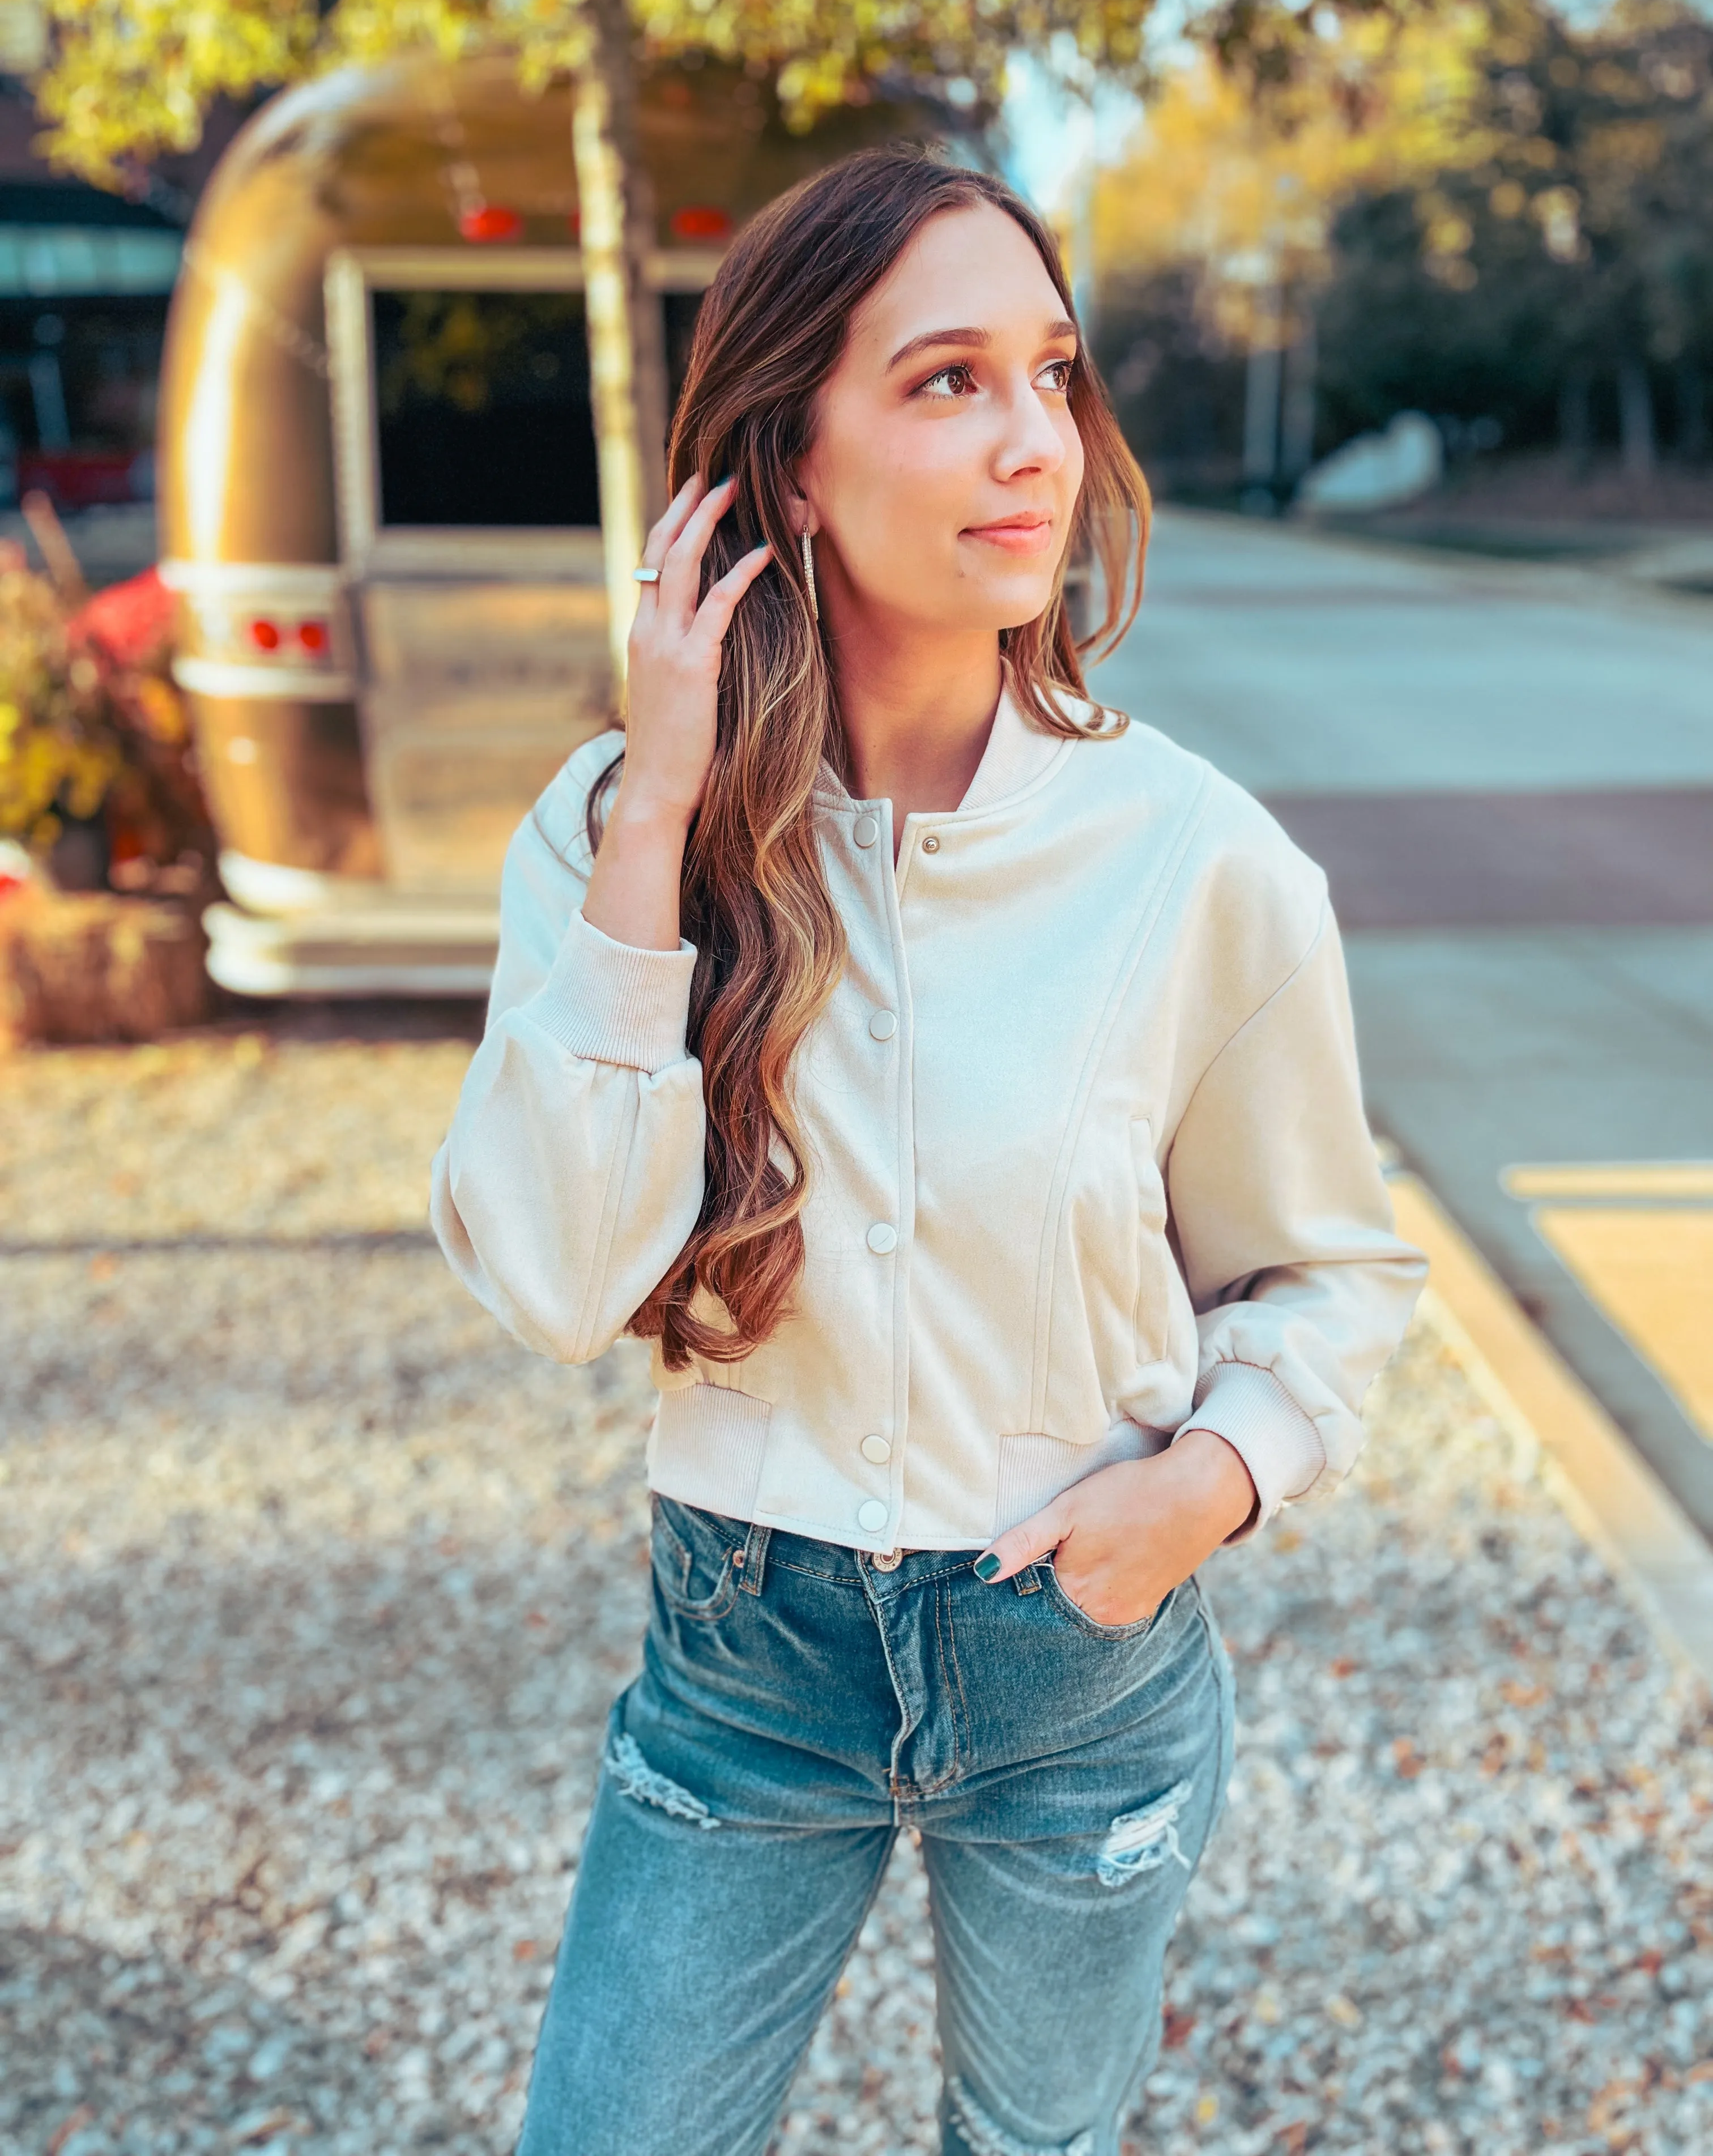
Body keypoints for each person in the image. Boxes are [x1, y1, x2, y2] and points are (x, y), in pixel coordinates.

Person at [430, 146, 1426, 2156]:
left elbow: (1326, 1273)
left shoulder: (1199, 863)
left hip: (1081, 1664)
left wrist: (1212, 1488)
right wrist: (658, 823)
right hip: (743, 1649)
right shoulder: (617, 830)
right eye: (945, 380)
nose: (1030, 444)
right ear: (788, 468)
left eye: (1051, 376)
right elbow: (551, 1281)